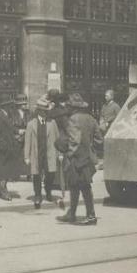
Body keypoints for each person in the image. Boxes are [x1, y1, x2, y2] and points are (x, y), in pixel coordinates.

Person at [55, 93, 103, 225]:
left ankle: (90, 216)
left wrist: (69, 155)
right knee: (77, 186)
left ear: (73, 107)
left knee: (82, 187)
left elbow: (74, 141)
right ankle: (73, 213)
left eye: (69, 106)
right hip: (88, 158)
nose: (68, 108)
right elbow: (99, 139)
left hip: (76, 159)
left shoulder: (73, 119)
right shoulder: (91, 119)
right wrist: (92, 150)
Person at [24, 96, 59, 208]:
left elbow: (58, 139)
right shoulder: (31, 124)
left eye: (47, 111)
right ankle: (38, 195)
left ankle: (48, 191)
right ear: (39, 111)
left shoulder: (52, 123)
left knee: (50, 174)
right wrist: (26, 156)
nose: (46, 113)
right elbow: (27, 141)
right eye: (44, 111)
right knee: (37, 175)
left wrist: (60, 153)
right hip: (36, 154)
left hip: (50, 153)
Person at [0, 96, 24, 201]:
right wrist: (4, 146)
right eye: (10, 105)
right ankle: (3, 192)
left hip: (6, 148)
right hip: (2, 149)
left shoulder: (4, 115)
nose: (12, 107)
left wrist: (18, 131)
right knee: (3, 171)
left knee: (4, 170)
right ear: (5, 106)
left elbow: (9, 128)